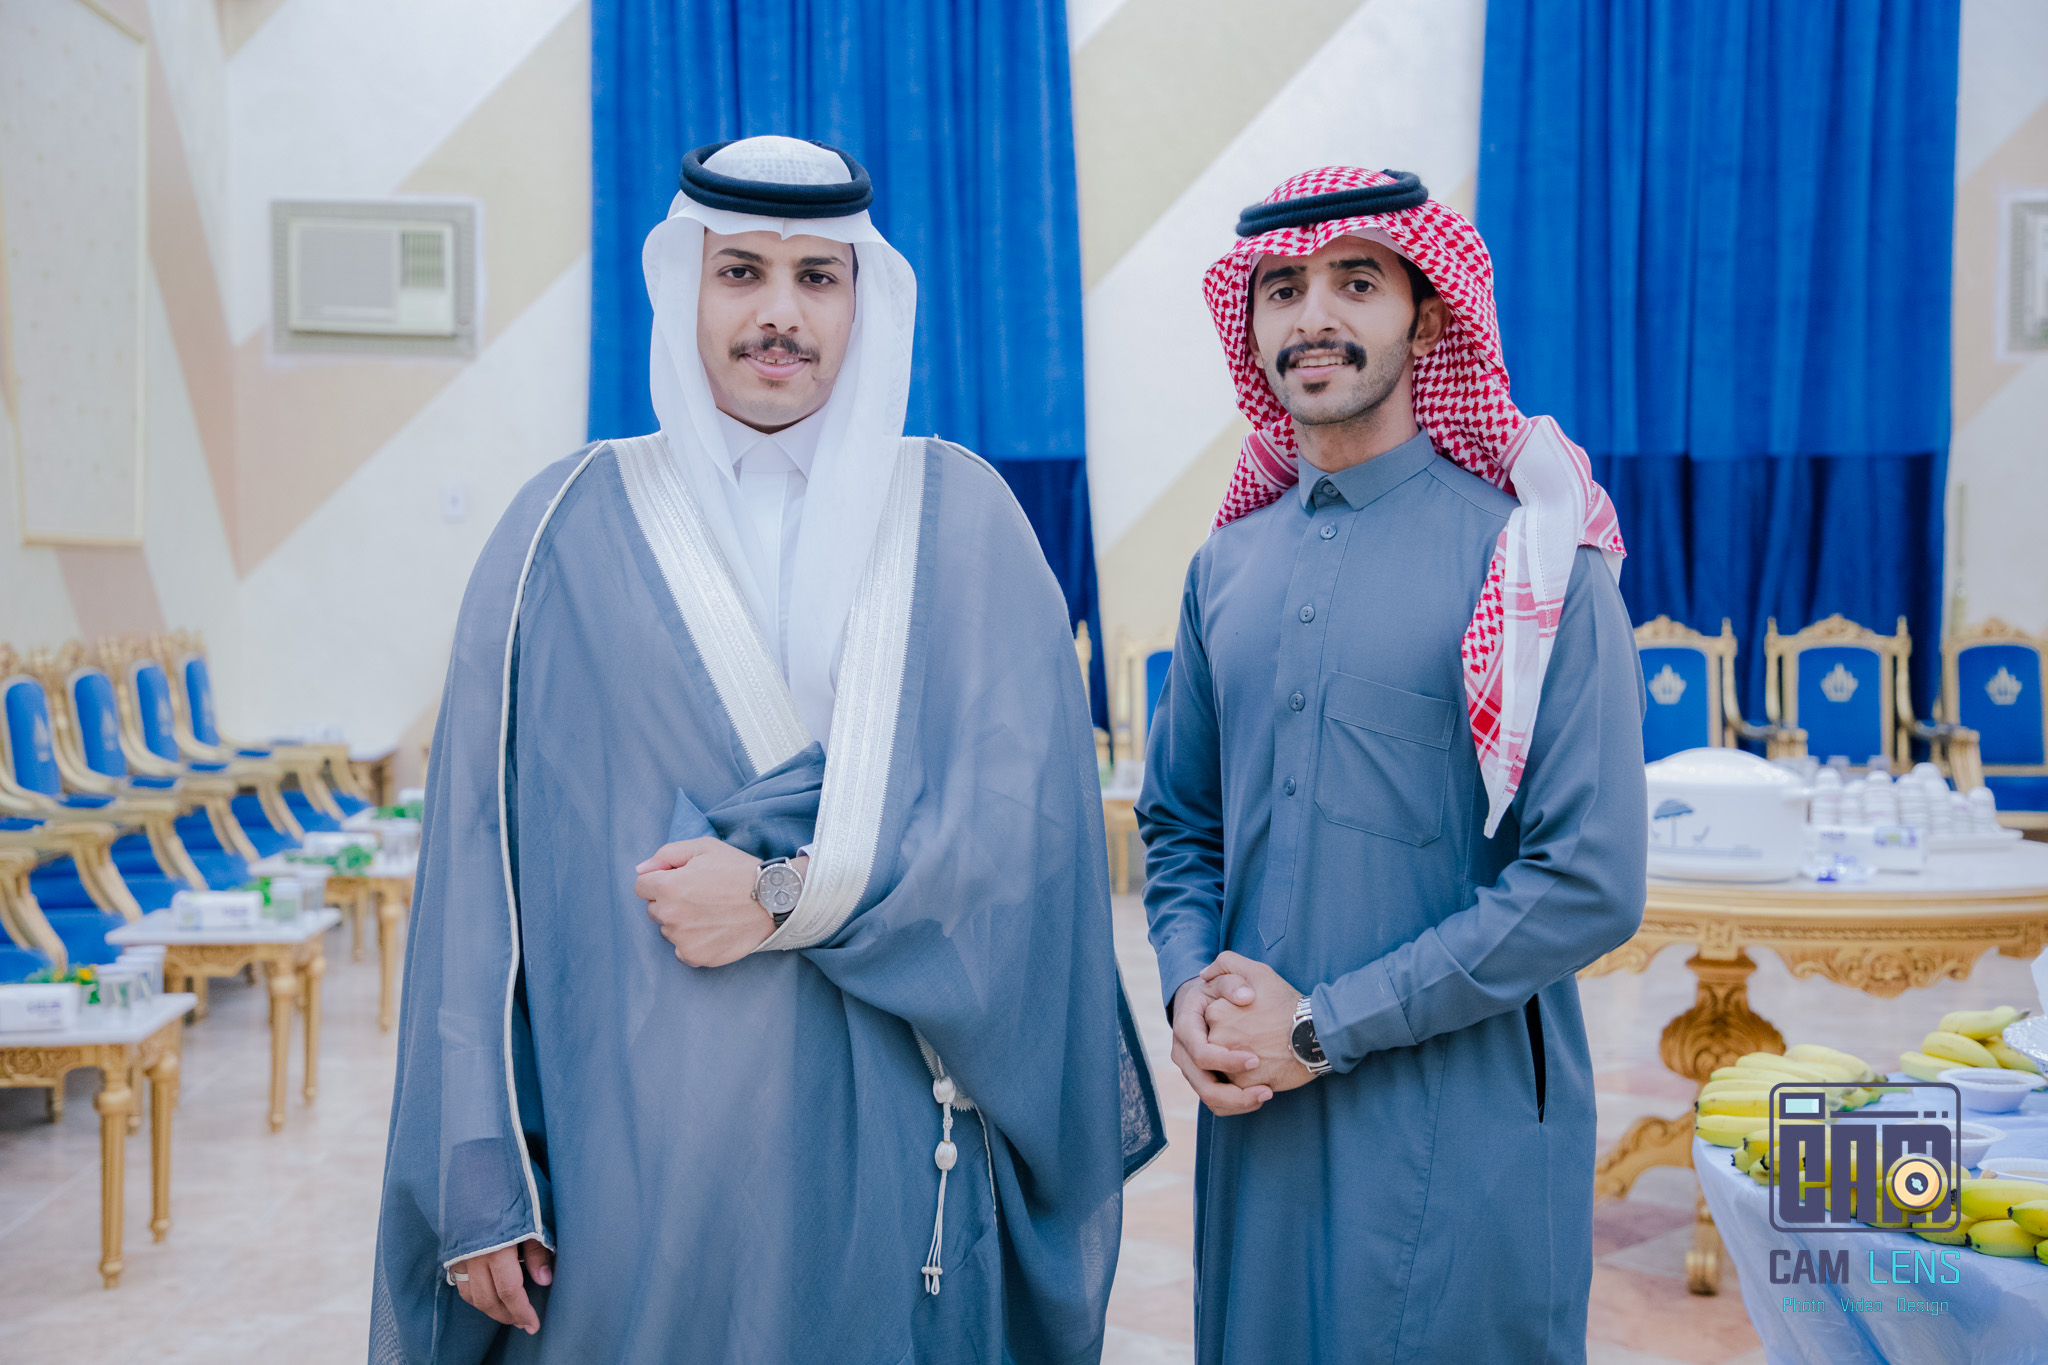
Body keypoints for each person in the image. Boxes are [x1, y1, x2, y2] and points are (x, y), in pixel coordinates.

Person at [371, 135, 1161, 1365]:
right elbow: (482, 877)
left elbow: (1025, 847)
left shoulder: (964, 522)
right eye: (739, 271)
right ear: (684, 286)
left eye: (816, 276)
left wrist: (783, 895)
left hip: (893, 1139)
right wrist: (480, 1172)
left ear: (863, 299)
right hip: (635, 1161)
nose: (779, 313)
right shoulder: (557, 531)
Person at [1138, 166, 1648, 1363]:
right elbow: (1181, 827)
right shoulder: (1225, 568)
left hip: (1458, 1125)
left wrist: (1323, 1026)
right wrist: (1188, 990)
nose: (1311, 316)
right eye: (1280, 290)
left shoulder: (1533, 563)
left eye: (1354, 283)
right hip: (1259, 1119)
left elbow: (1586, 881)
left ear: (1426, 320)